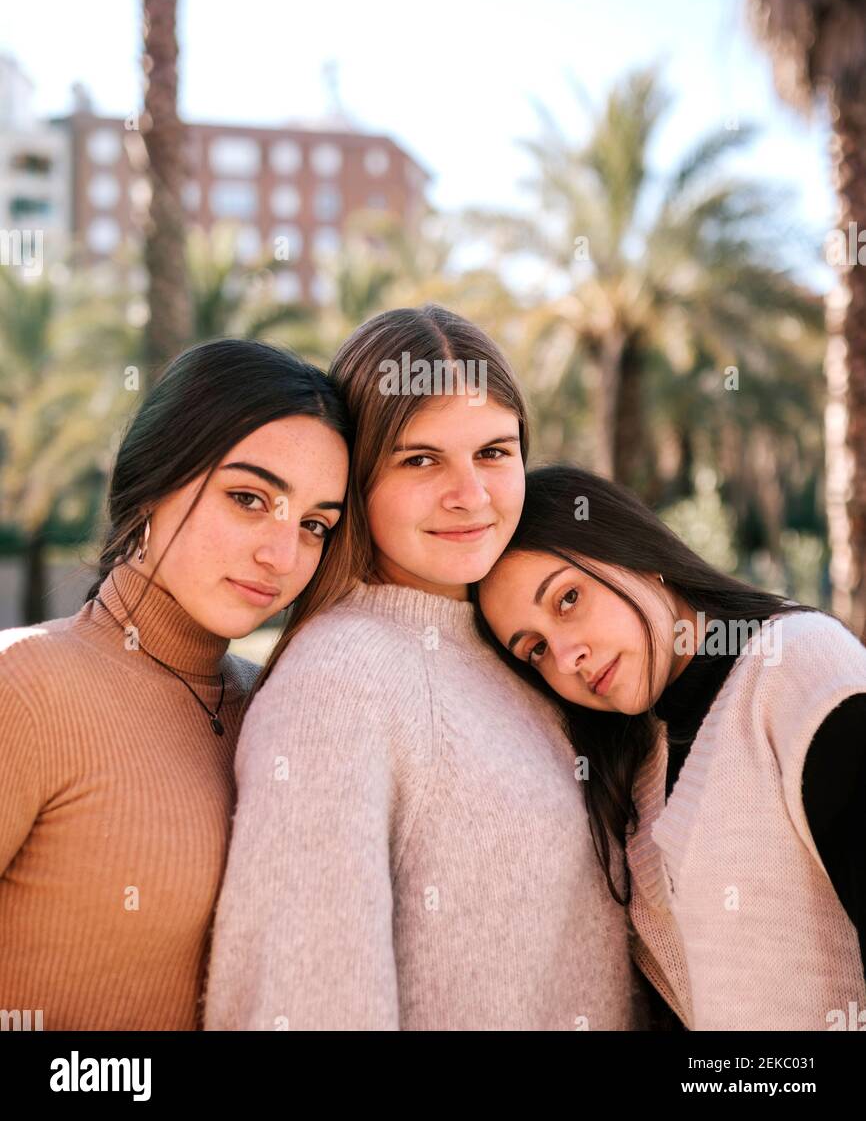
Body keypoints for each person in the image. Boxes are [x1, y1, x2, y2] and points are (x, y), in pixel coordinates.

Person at [203, 305, 646, 1031]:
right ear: (357, 479)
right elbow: (301, 999)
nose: (469, 495)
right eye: (420, 459)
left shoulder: (528, 647)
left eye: (495, 453)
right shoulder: (340, 680)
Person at [0, 337, 350, 1029]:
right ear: (156, 480)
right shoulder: (25, 685)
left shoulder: (281, 709)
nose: (281, 554)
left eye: (315, 525)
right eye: (249, 498)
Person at [472, 463, 866, 1032]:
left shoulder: (799, 671)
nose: (566, 657)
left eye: (567, 599)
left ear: (636, 555)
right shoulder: (641, 770)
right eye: (534, 649)